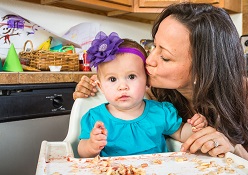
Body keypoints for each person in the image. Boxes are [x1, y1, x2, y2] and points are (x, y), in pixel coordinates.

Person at [73, 3, 248, 174]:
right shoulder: (152, 91)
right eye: (153, 47)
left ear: (204, 69)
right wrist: (91, 92)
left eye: (165, 57)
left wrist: (234, 148)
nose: (149, 60)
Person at [77, 31, 207, 158]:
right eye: (112, 79)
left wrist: (195, 127)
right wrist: (91, 146)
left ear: (147, 81)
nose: (123, 86)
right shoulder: (95, 118)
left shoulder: (161, 112)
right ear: (101, 87)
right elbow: (81, 152)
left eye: (132, 76)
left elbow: (181, 134)